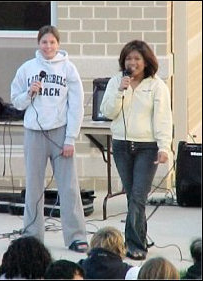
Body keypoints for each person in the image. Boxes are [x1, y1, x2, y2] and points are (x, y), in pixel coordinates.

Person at [11, 25, 88, 253]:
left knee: (69, 187)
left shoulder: (68, 69)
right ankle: (32, 236)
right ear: (38, 44)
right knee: (34, 187)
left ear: (59, 44)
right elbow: (17, 101)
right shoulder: (27, 69)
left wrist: (70, 139)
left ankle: (76, 236)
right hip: (34, 132)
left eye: (52, 42)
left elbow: (76, 105)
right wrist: (29, 93)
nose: (48, 46)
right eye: (44, 42)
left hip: (60, 133)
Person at [100, 40, 172, 260]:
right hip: (121, 145)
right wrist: (120, 91)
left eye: (137, 59)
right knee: (132, 195)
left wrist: (164, 147)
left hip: (147, 147)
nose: (132, 62)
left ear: (146, 61)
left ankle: (134, 244)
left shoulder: (156, 85)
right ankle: (139, 235)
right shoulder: (116, 82)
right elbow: (107, 112)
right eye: (128, 58)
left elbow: (163, 119)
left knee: (139, 196)